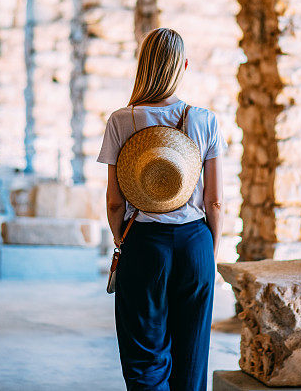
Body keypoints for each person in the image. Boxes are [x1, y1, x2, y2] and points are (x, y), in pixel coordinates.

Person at [97, 27, 226, 391]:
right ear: (183, 66)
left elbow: (113, 202)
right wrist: (209, 252)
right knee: (191, 358)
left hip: (143, 243)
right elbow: (215, 201)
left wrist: (123, 240)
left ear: (143, 66)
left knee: (144, 358)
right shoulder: (205, 120)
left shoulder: (122, 121)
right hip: (195, 243)